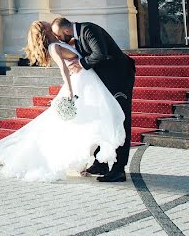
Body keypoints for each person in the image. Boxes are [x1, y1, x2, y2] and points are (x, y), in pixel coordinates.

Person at [0, 21, 125, 182]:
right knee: (87, 120)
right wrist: (69, 90)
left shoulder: (60, 43)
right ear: (46, 30)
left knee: (93, 118)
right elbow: (63, 69)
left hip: (88, 79)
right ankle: (95, 161)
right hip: (80, 83)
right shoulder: (53, 47)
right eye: (48, 24)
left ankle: (98, 161)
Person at [51, 16, 136, 183]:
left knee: (120, 119)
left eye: (59, 36)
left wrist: (81, 63)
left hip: (119, 78)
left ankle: (119, 170)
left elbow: (100, 54)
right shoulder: (79, 36)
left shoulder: (88, 30)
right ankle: (101, 164)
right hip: (106, 81)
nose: (59, 39)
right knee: (101, 118)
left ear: (66, 31)